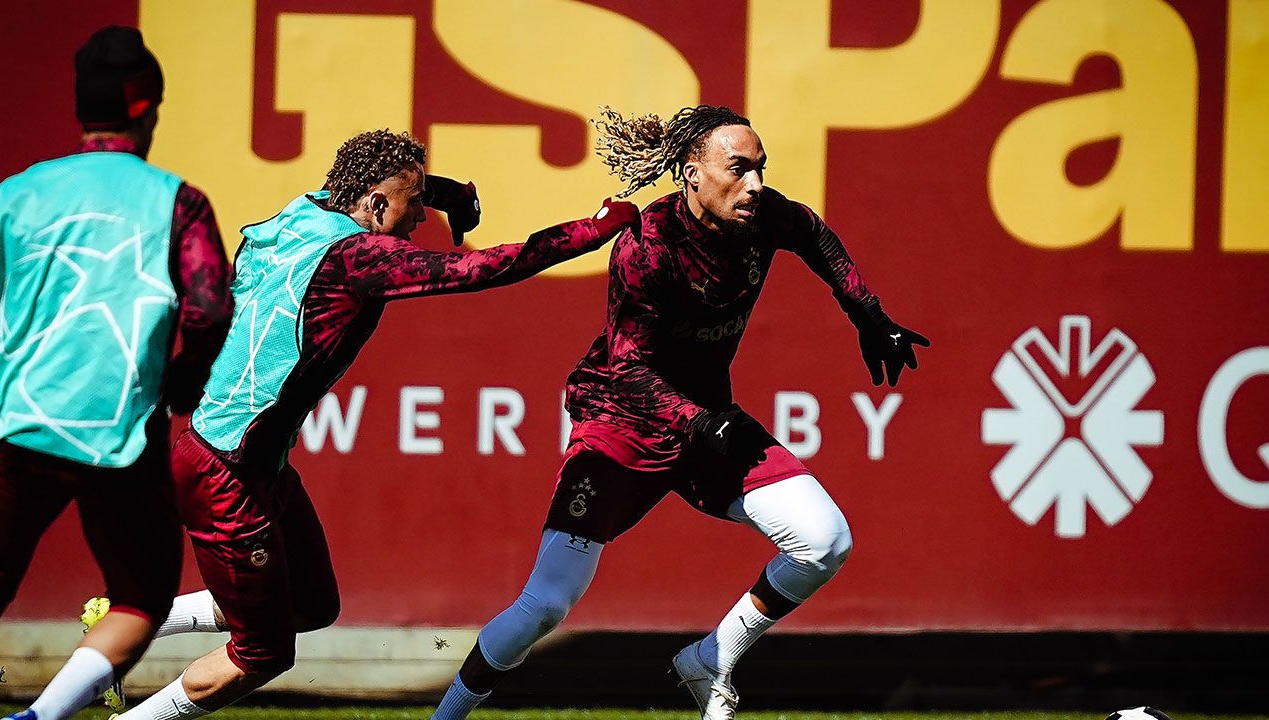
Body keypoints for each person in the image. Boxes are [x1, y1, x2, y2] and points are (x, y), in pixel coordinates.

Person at [95, 128, 640, 720]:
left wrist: (450, 195)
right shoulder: (357, 259)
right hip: (226, 471)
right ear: (377, 205)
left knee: (311, 604)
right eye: (414, 206)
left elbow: (371, 186)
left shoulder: (303, 213)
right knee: (262, 653)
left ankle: (129, 617)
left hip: (248, 462)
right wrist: (593, 229)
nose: (420, 221)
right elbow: (483, 267)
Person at [428, 105, 930, 720]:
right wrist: (697, 422)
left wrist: (869, 315)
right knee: (546, 605)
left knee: (825, 541)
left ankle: (712, 659)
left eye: (761, 169)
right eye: (738, 168)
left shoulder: (764, 217)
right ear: (692, 174)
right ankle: (446, 716)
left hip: (707, 426)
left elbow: (815, 236)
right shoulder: (648, 244)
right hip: (620, 424)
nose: (755, 185)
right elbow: (628, 368)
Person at [0, 26, 233, 720]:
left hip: (13, 428)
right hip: (120, 439)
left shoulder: (12, 196)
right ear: (147, 108)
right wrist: (182, 384)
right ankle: (41, 718)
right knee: (140, 597)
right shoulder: (178, 202)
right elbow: (211, 307)